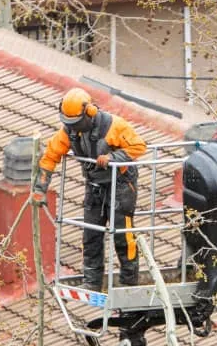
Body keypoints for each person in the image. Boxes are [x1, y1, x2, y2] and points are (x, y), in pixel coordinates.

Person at [33, 88, 148, 289]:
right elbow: (50, 156)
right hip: (94, 186)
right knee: (91, 235)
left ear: (90, 113)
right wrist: (40, 187)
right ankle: (92, 282)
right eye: (69, 123)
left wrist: (113, 158)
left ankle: (129, 283)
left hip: (121, 185)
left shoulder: (114, 126)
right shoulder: (68, 133)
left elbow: (139, 146)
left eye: (76, 123)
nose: (73, 127)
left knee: (123, 234)